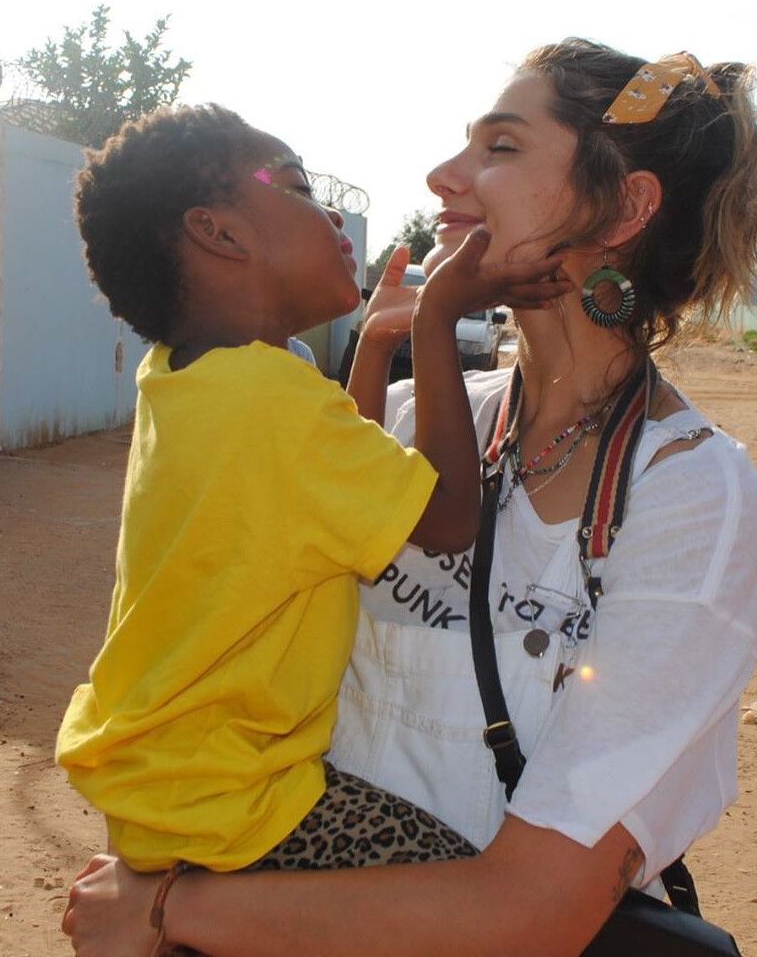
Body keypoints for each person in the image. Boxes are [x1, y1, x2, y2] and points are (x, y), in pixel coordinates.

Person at [62, 37, 757, 957]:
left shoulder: (691, 500)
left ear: (623, 208)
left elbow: (528, 915)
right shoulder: (403, 419)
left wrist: (167, 909)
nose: (444, 176)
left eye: (502, 148)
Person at [54, 103, 571, 882]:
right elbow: (447, 519)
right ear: (219, 233)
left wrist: (379, 342)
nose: (331, 210)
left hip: (170, 780)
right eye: (296, 186)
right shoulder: (268, 397)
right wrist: (437, 323)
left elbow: (333, 489)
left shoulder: (198, 376)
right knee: (475, 899)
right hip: (234, 805)